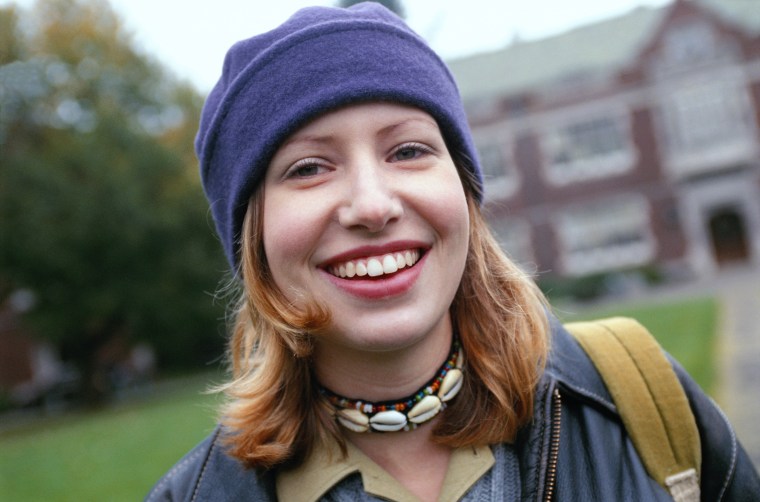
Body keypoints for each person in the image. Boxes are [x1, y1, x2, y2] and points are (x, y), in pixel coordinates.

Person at [147, 3, 760, 501]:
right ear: (251, 234)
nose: (372, 204)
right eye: (309, 167)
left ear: (464, 193)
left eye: (408, 151)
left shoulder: (640, 393)